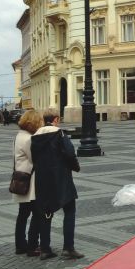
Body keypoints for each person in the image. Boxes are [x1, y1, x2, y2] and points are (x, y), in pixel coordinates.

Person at [31, 108, 84, 260]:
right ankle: (68, 247)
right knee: (69, 210)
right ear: (56, 119)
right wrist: (75, 167)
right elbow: (69, 153)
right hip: (60, 177)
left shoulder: (35, 136)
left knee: (46, 213)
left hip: (42, 179)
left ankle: (45, 248)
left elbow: (34, 158)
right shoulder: (59, 133)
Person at [12, 109, 43, 255]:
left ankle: (20, 244)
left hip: (22, 176)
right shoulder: (28, 139)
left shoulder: (20, 135)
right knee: (37, 213)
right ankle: (32, 245)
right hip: (29, 181)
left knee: (23, 214)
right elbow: (35, 158)